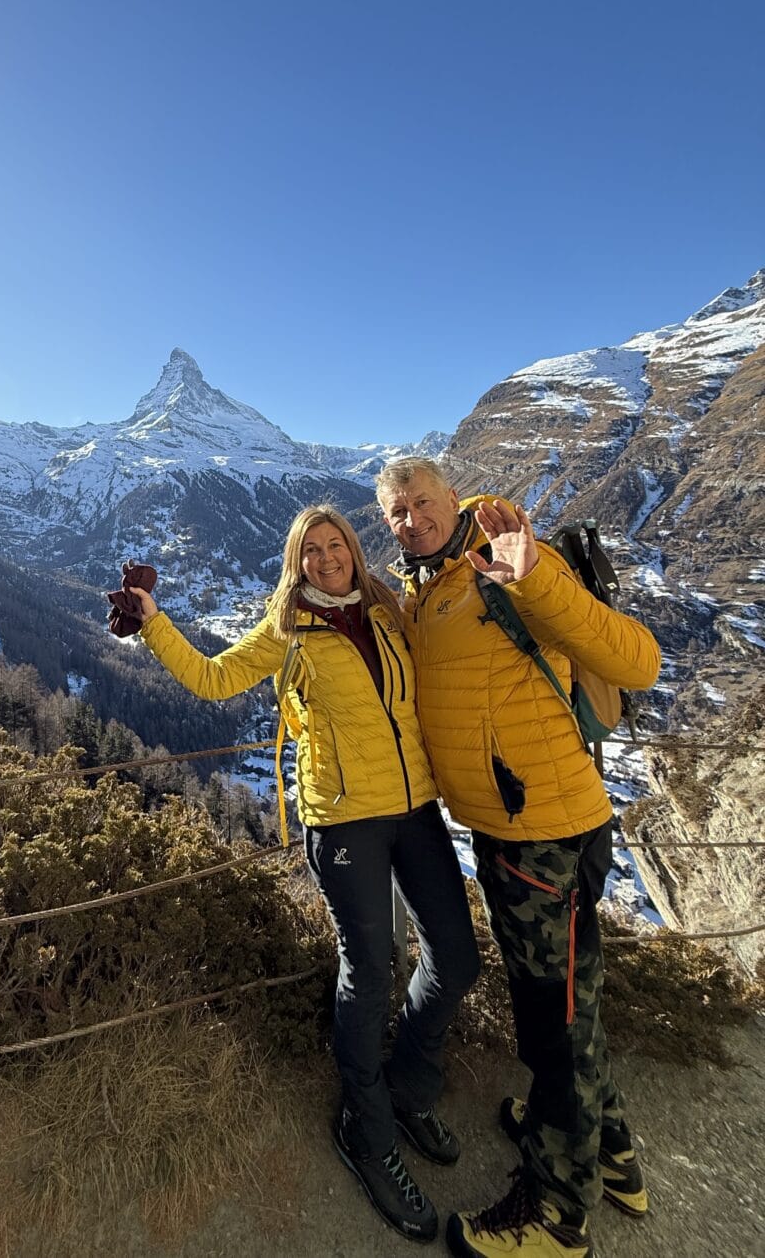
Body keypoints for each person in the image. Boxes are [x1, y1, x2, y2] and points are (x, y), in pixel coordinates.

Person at [117, 503, 480, 1245]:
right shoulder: (287, 631)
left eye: (335, 544)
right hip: (343, 819)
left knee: (458, 955)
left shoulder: (386, 613)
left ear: (353, 548)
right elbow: (213, 679)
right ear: (296, 560)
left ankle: (409, 1088)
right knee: (370, 970)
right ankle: (367, 1130)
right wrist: (155, 620)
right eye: (310, 550)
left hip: (416, 808)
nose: (325, 558)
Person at [375, 458, 661, 1258]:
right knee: (575, 998)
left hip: (544, 831)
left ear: (451, 495)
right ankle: (610, 1152)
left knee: (550, 1023)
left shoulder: (510, 557)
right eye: (397, 511)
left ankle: (556, 1214)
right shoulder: (429, 587)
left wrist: (534, 576)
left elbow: (638, 661)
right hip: (515, 832)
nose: (412, 518)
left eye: (422, 501)